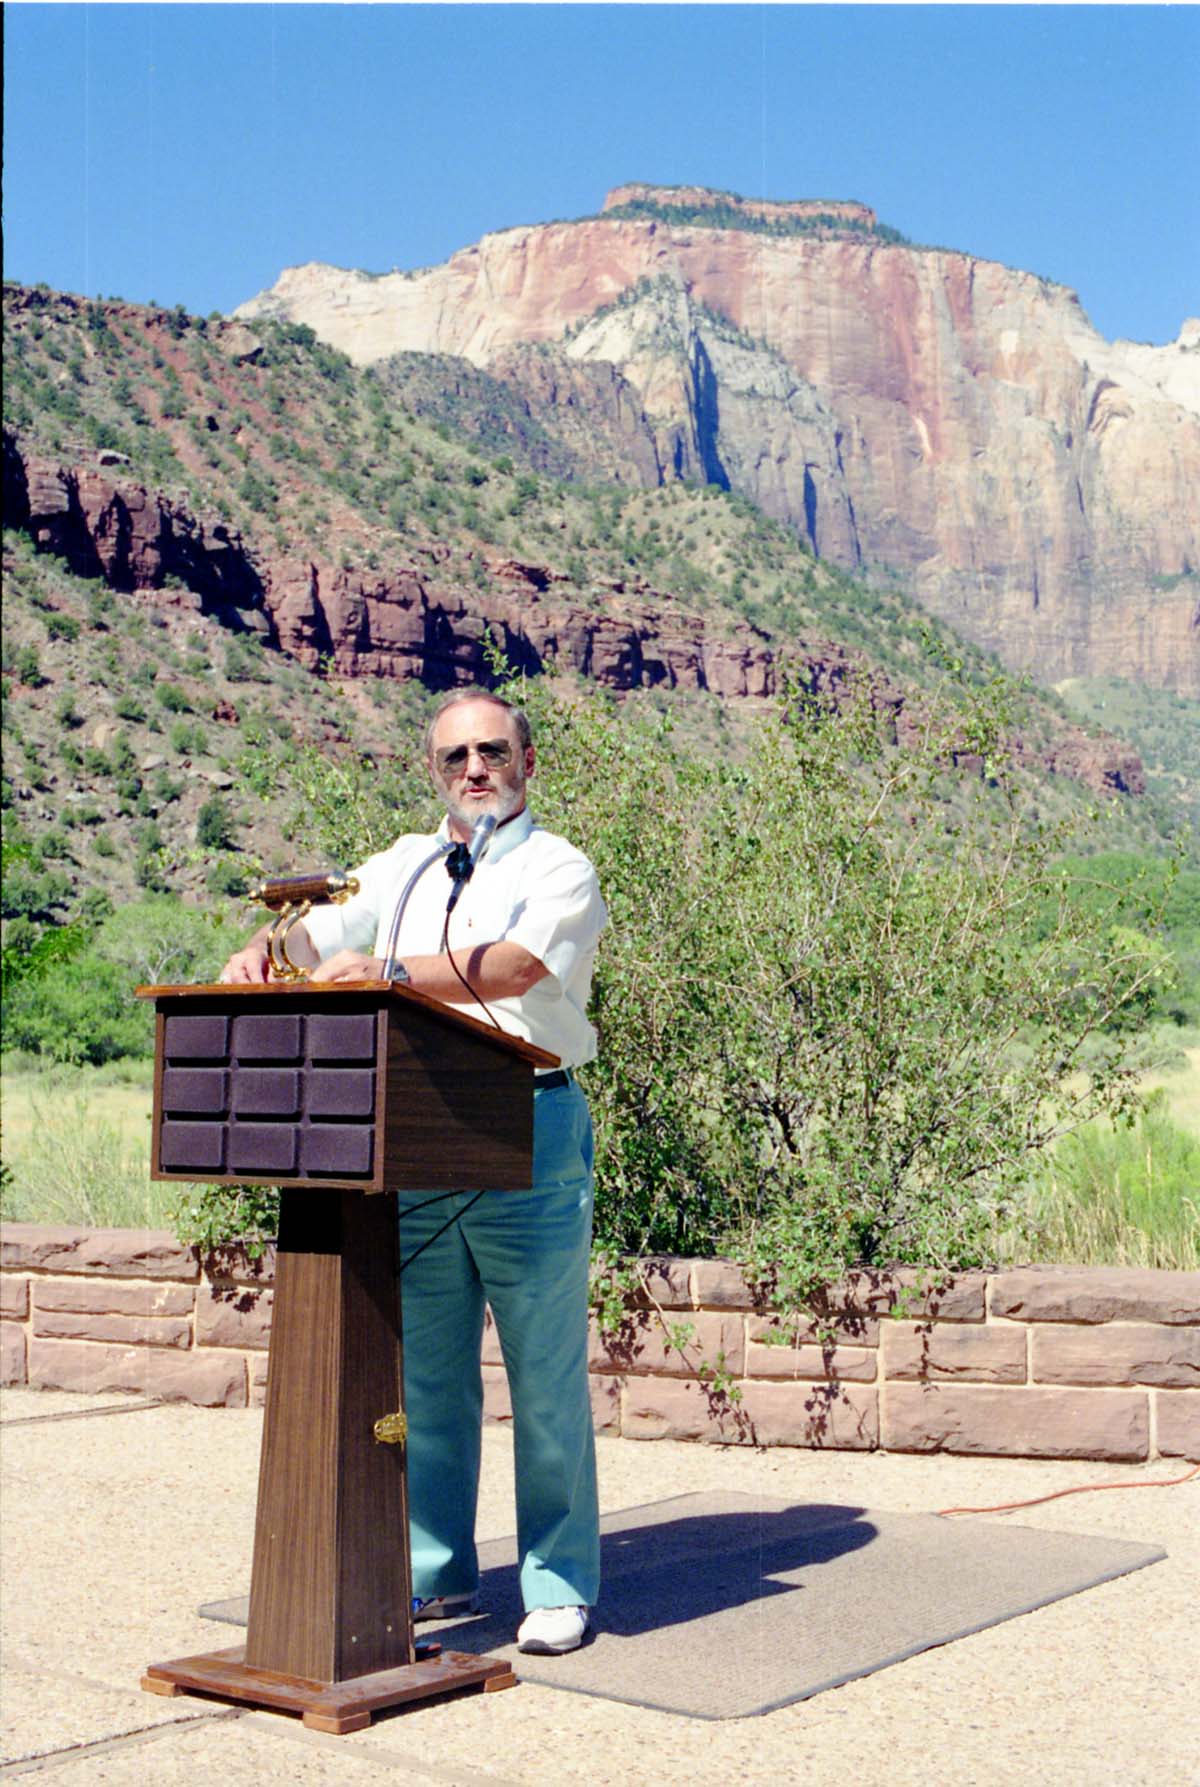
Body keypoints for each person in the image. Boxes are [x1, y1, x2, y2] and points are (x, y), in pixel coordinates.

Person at [220, 688, 605, 1656]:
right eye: (453, 757)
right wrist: (261, 954)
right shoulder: (402, 862)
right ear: (432, 769)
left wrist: (385, 968)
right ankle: (435, 1570)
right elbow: (310, 940)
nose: (473, 769)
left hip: (526, 1119)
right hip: (418, 1133)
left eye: (491, 751)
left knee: (543, 1374)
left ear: (528, 760)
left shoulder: (561, 866)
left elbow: (517, 965)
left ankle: (558, 1580)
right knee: (429, 1376)